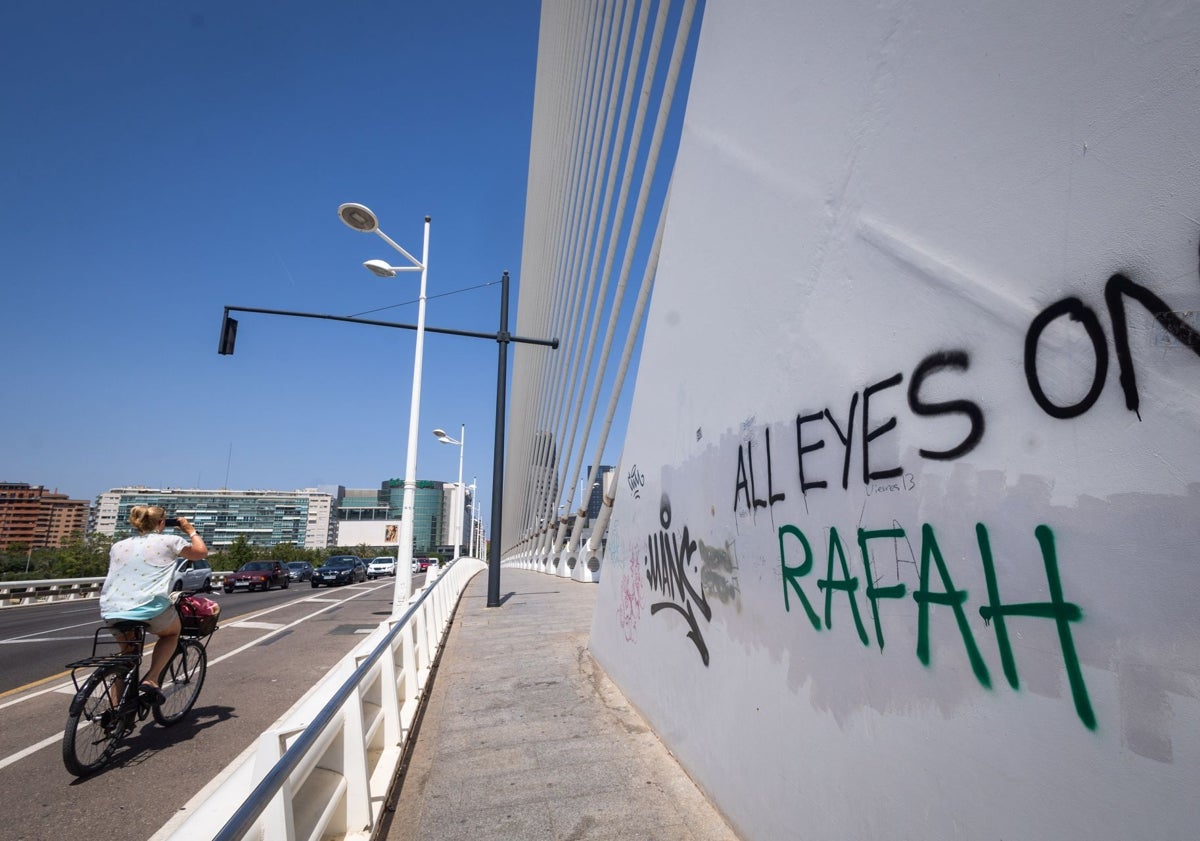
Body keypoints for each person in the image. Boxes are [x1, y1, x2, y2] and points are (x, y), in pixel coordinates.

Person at [98, 505, 208, 701]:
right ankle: (152, 679)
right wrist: (190, 530)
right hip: (149, 606)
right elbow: (200, 552)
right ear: (161, 523)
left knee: (128, 657)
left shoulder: (118, 546)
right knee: (172, 633)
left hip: (112, 608)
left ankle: (114, 715)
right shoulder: (170, 540)